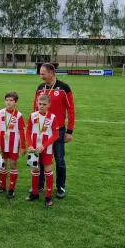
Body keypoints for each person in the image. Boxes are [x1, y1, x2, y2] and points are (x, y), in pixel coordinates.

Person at [32, 63, 75, 199]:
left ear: (51, 73)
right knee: (40, 158)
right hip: (40, 131)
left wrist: (69, 131)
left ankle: (60, 186)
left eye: (43, 73)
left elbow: (71, 110)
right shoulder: (40, 88)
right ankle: (39, 185)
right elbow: (35, 108)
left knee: (59, 160)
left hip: (58, 131)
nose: (41, 76)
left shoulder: (64, 87)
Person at [26, 94, 60, 207]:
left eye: (44, 104)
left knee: (48, 170)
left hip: (47, 149)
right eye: (39, 104)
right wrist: (30, 145)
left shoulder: (52, 117)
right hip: (34, 149)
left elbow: (56, 135)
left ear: (49, 105)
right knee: (35, 170)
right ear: (37, 103)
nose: (41, 106)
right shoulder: (32, 116)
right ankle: (35, 194)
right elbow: (28, 132)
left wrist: (44, 145)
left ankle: (48, 196)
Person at [0, 91, 26, 199]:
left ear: (15, 102)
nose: (8, 102)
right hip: (2, 144)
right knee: (3, 164)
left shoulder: (19, 115)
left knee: (13, 165)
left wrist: (22, 147)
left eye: (11, 100)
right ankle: (2, 186)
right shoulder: (0, 113)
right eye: (7, 100)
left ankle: (11, 189)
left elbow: (22, 131)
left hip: (13, 144)